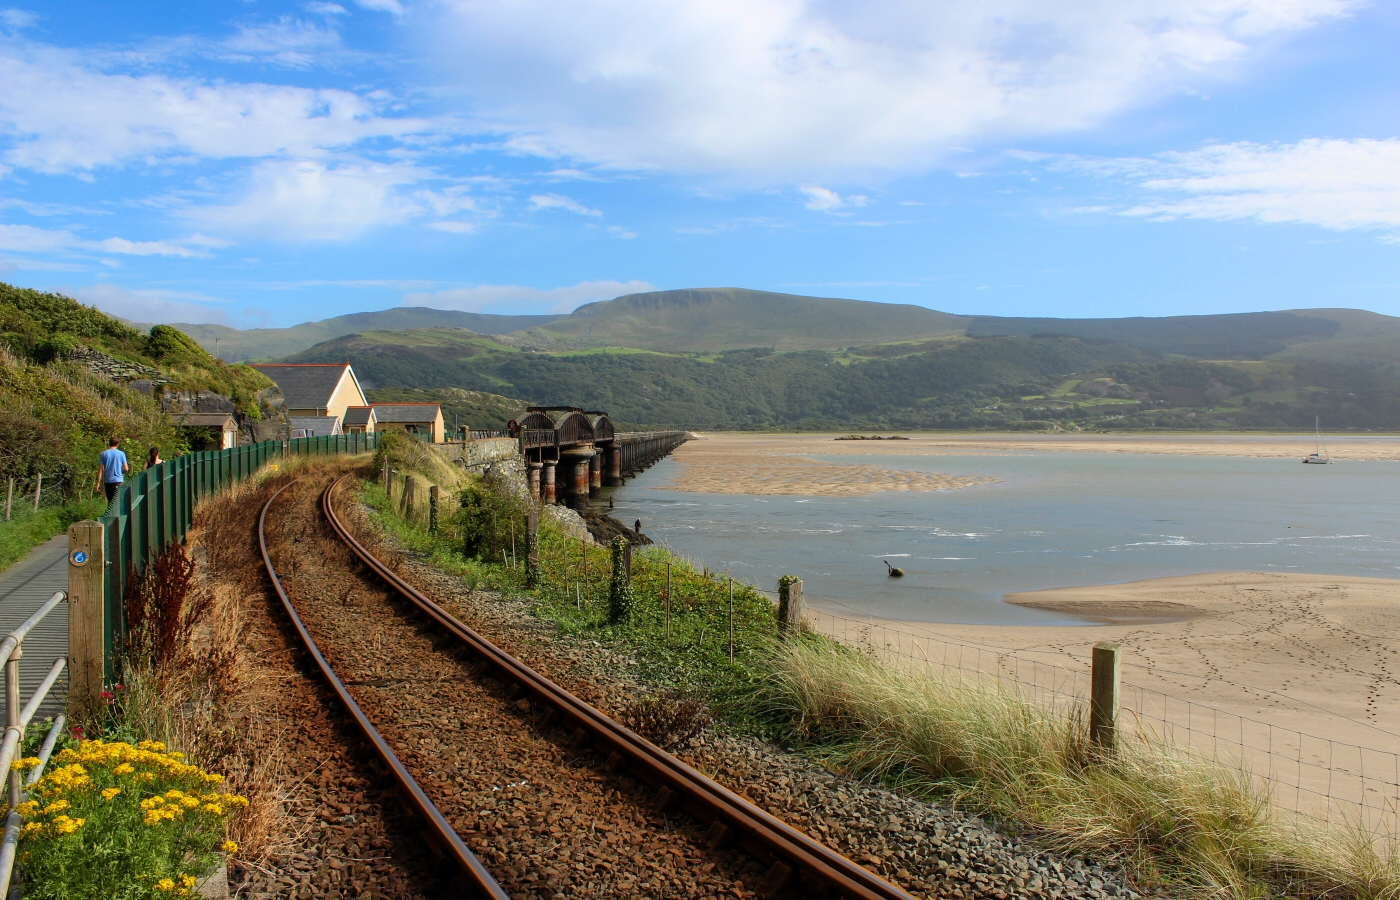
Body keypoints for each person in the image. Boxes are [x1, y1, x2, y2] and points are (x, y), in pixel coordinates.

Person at [98, 437, 130, 503]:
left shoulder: (104, 454)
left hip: (108, 480)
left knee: (110, 502)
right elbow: (126, 469)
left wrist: (98, 483)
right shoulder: (121, 453)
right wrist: (122, 472)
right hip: (118, 480)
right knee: (117, 502)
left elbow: (100, 470)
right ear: (117, 444)